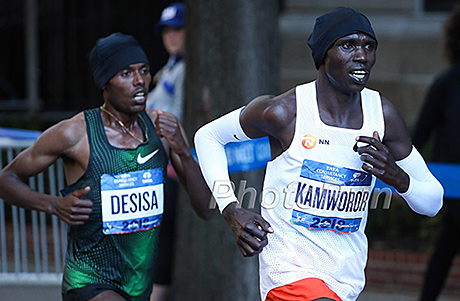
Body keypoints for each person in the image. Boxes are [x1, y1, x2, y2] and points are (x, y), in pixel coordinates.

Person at [194, 7, 443, 301]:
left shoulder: (382, 115)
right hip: (288, 272)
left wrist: (398, 177)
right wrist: (231, 209)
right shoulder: (285, 112)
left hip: (345, 277)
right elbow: (208, 136)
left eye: (369, 46)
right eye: (348, 45)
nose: (361, 55)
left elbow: (433, 201)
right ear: (324, 54)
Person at [0, 32, 214, 301]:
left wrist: (182, 151)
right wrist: (53, 204)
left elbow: (206, 208)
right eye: (126, 73)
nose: (139, 82)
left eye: (144, 71)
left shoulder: (163, 127)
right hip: (89, 282)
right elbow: (6, 179)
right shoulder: (75, 134)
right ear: (105, 82)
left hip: (137, 286)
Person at [414, 5, 460, 301]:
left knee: (447, 244)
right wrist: (403, 178)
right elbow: (419, 135)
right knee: (448, 243)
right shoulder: (447, 84)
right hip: (454, 184)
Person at [145, 3, 186, 301]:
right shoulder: (170, 67)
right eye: (166, 30)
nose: (170, 36)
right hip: (157, 164)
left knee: (161, 238)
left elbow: (180, 123)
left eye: (178, 29)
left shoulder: (187, 70)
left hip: (172, 167)